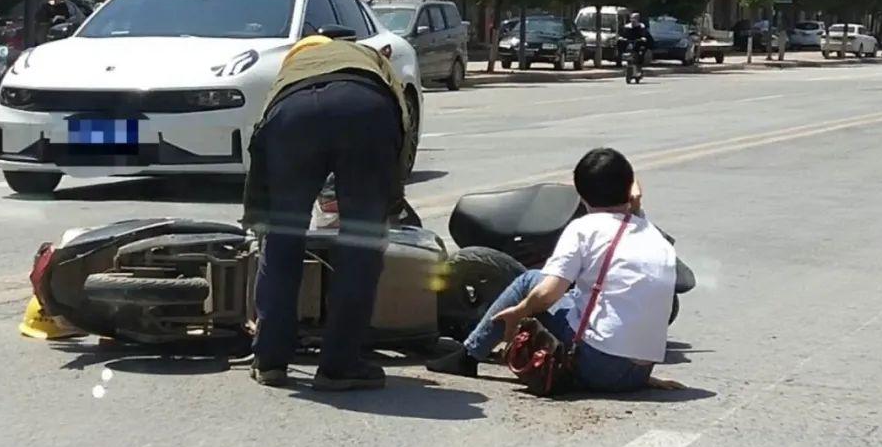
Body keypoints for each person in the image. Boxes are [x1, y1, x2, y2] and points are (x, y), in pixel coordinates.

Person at [427, 148, 678, 393]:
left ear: (580, 194)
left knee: (530, 281)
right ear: (628, 190)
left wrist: (520, 311)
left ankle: (468, 356)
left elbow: (548, 293)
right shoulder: (652, 233)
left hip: (600, 367)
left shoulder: (584, 228)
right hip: (638, 374)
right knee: (577, 299)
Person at [242, 35, 413, 391]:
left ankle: (270, 359)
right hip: (364, 111)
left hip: (293, 116)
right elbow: (403, 126)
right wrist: (389, 202)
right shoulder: (371, 59)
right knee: (360, 243)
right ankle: (339, 365)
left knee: (282, 236)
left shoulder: (290, 72)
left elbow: (261, 142)